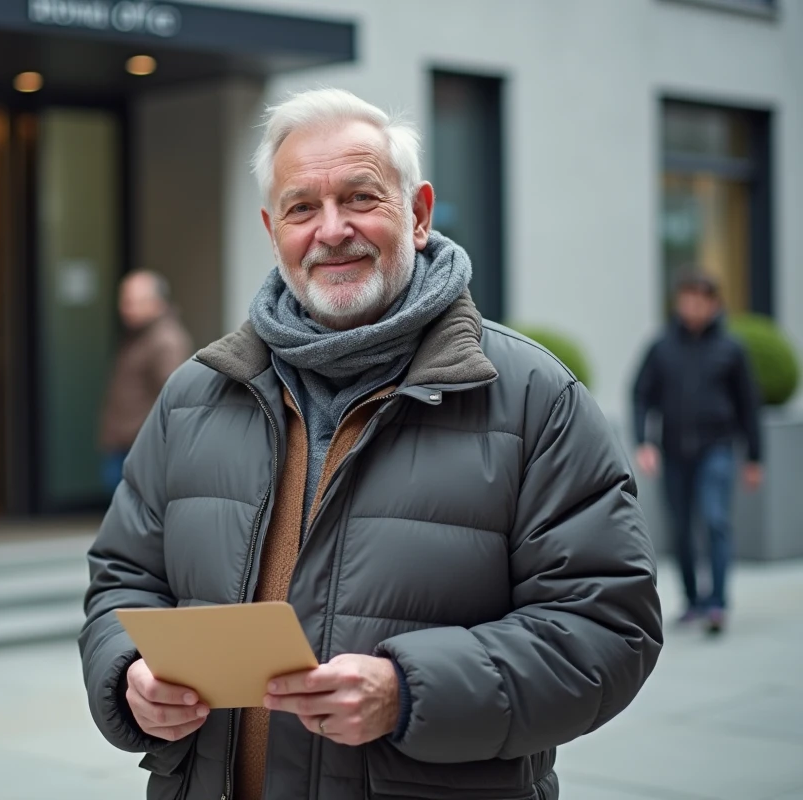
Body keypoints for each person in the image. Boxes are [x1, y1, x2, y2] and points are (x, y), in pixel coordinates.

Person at [79, 88, 662, 800]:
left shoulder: (536, 398)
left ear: (417, 214)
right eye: (301, 207)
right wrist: (129, 673)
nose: (331, 230)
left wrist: (410, 692)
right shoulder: (194, 395)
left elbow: (608, 626)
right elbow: (122, 580)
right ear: (272, 230)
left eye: (360, 197)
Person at [633, 271, 762, 634]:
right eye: (686, 299)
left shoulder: (731, 349)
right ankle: (693, 600)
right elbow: (641, 394)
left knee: (715, 518)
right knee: (681, 527)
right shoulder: (661, 347)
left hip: (717, 449)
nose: (692, 307)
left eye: (700, 300)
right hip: (673, 450)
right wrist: (644, 442)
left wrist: (755, 458)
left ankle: (717, 603)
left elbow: (748, 405)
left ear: (714, 304)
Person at [98, 270, 193, 493]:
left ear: (157, 303)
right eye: (124, 301)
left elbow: (175, 397)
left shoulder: (166, 341)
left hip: (142, 448)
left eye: (133, 302)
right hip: (124, 445)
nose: (125, 308)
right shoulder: (137, 335)